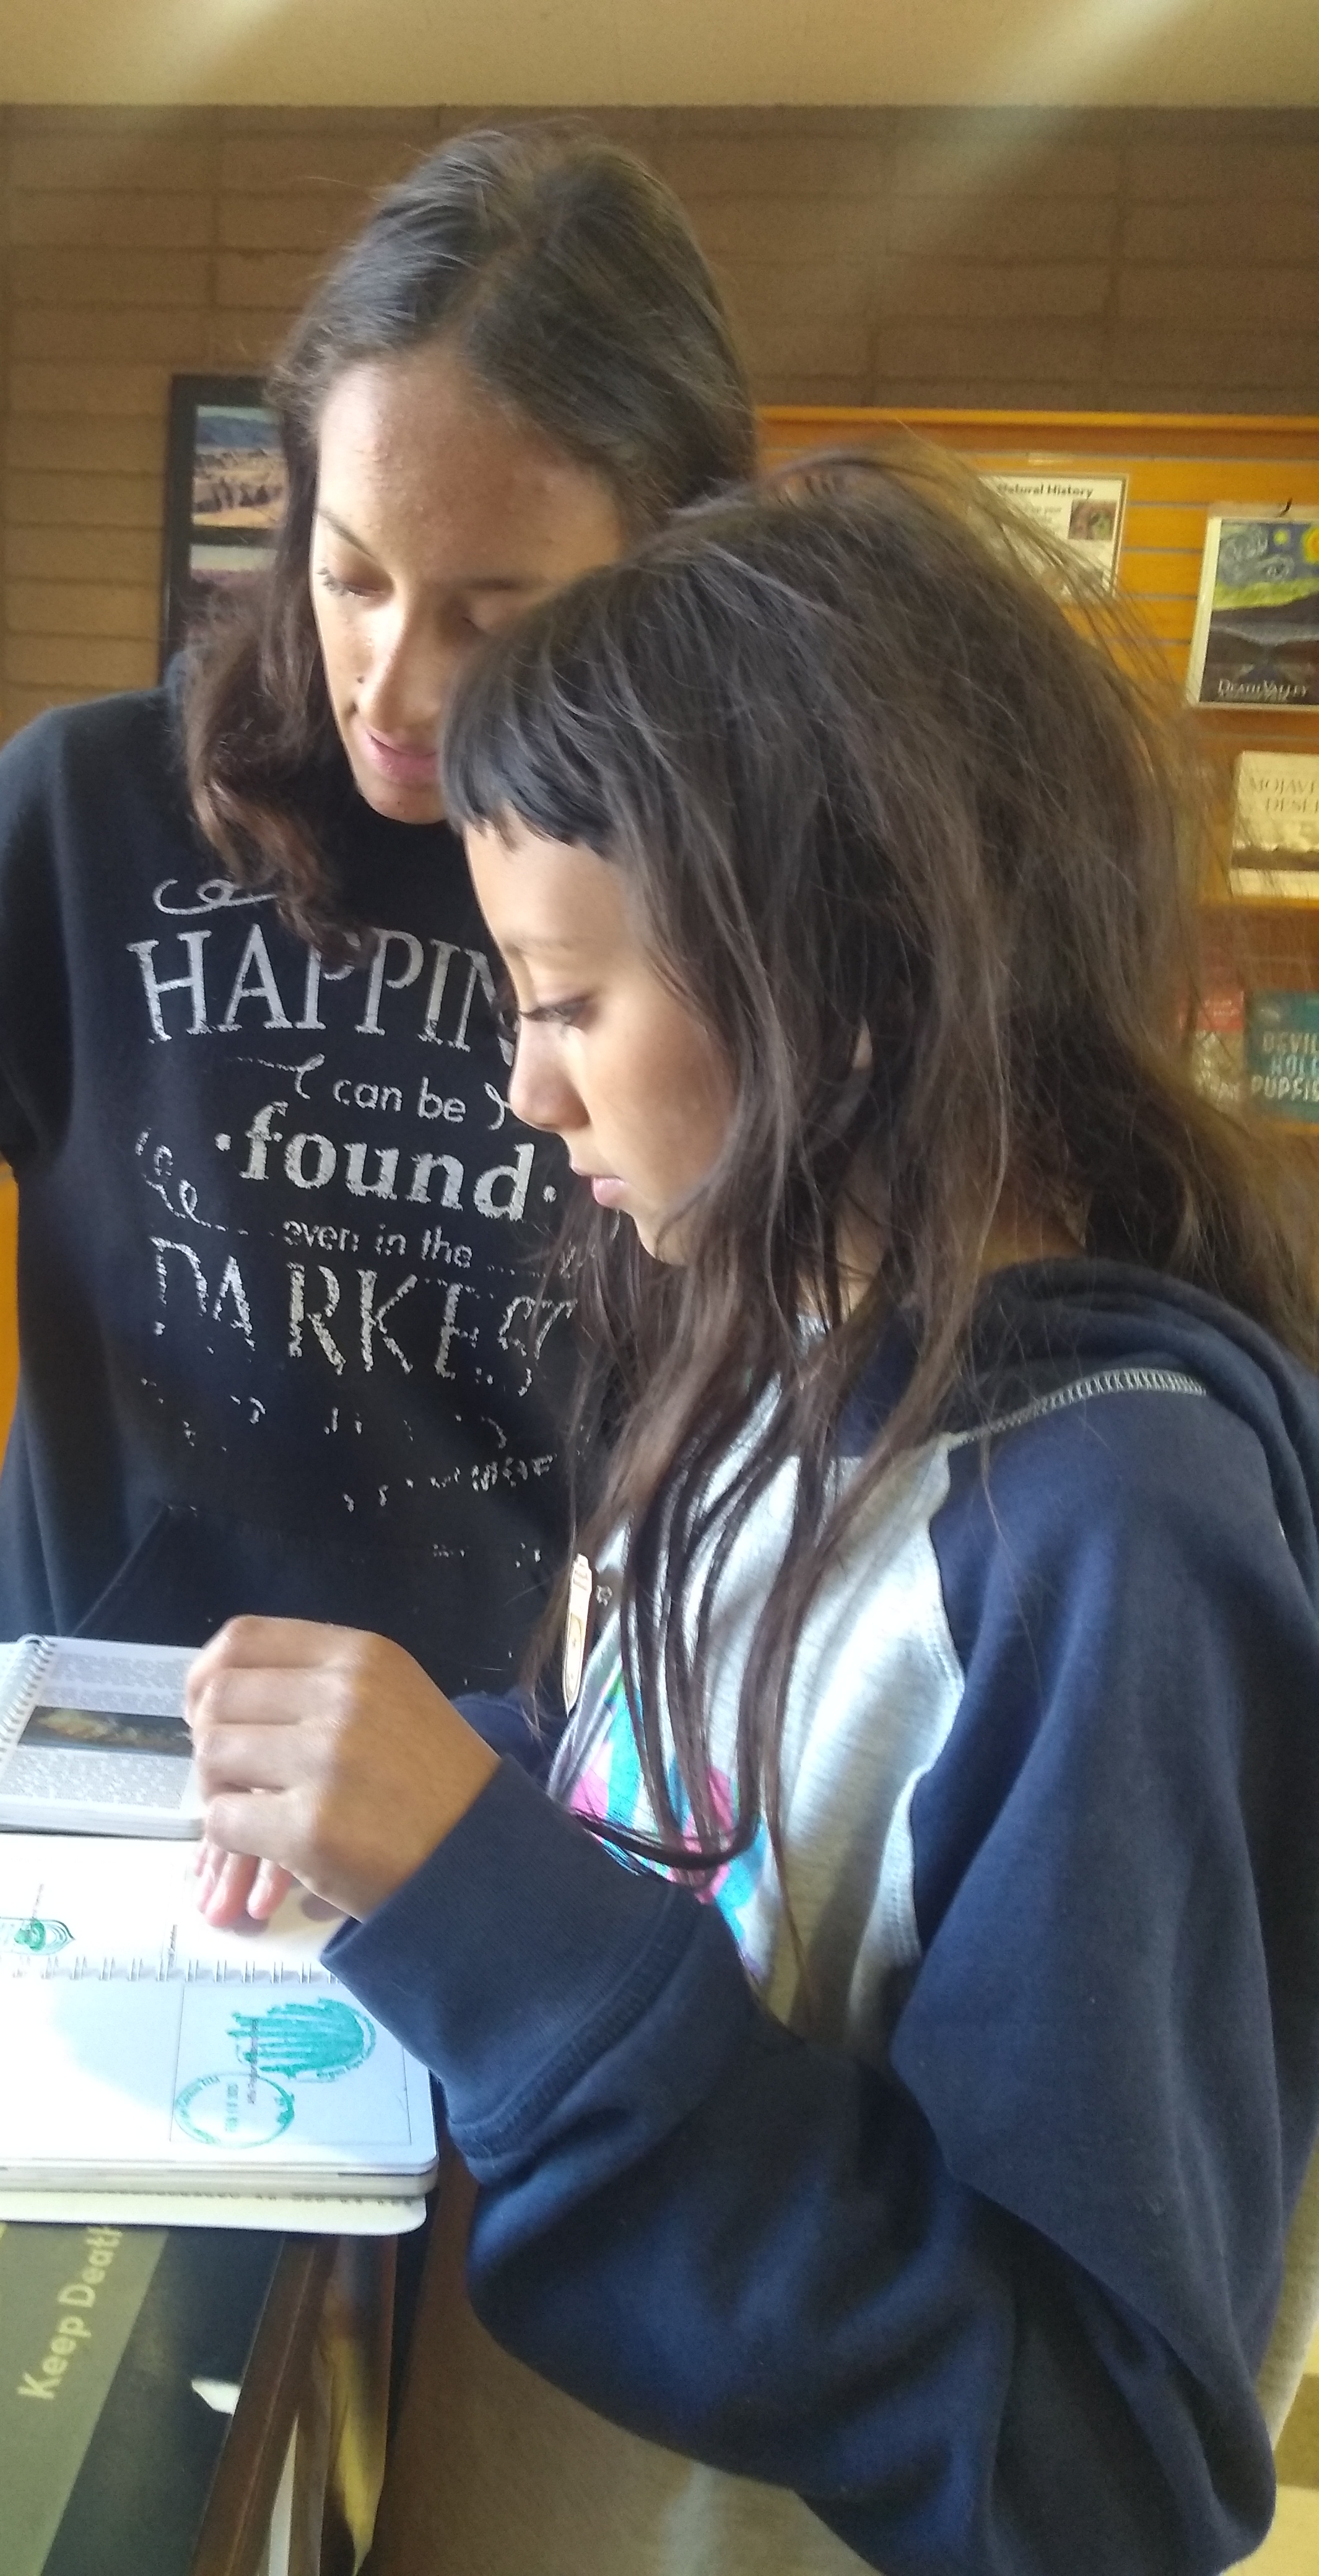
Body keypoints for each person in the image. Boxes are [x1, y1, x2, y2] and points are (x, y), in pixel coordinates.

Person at [185, 451, 1319, 2574]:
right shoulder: (779, 1342)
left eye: (567, 1003)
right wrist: (431, 1809)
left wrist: (492, 1915)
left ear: (846, 986)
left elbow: (1100, 2477)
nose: (526, 1090)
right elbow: (718, 1843)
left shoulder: (1109, 1553)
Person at [0, 127, 754, 1735]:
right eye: (354, 577)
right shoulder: (93, 803)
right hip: (98, 1714)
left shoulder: (713, 889)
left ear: (663, 569)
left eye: (496, 616)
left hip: (491, 1748)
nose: (395, 688)